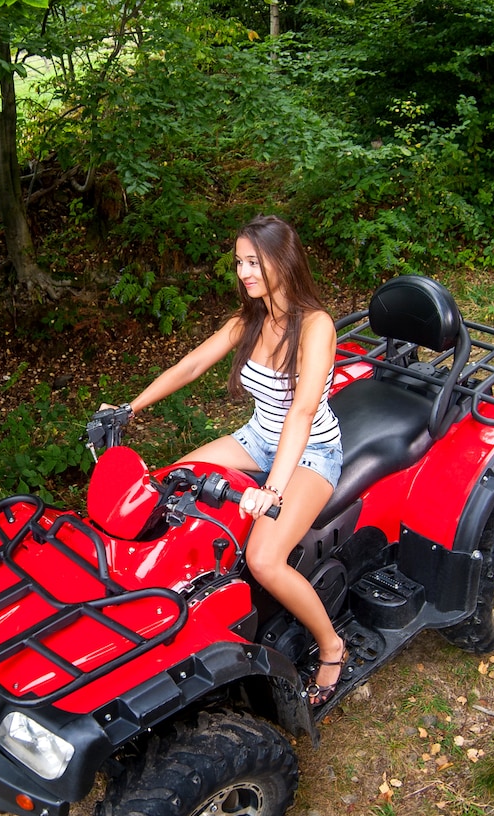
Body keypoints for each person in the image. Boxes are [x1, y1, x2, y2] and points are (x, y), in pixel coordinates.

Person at [114, 215, 347, 706]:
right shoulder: (250, 319)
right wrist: (129, 408)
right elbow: (192, 364)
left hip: (311, 452)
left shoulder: (316, 326)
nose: (243, 271)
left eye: (253, 262)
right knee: (162, 485)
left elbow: (303, 412)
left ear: (283, 261)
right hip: (258, 439)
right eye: (239, 262)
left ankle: (331, 647)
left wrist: (273, 489)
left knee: (264, 558)